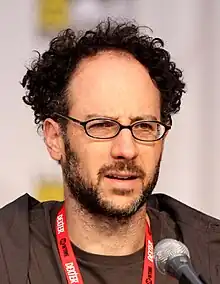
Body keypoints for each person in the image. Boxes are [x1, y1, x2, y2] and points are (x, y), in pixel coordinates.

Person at [0, 19, 219, 284]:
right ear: (55, 138)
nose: (126, 150)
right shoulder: (7, 255)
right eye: (102, 125)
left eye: (144, 126)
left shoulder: (209, 258)